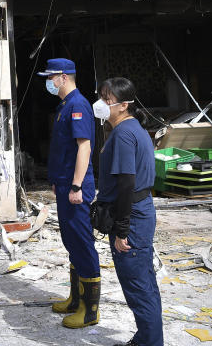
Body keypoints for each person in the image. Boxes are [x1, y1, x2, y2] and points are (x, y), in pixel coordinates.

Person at [95, 77, 163, 346]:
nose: (100, 103)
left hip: (132, 216)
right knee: (143, 283)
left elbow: (126, 183)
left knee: (138, 287)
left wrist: (122, 229)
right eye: (100, 95)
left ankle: (149, 342)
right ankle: (146, 338)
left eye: (106, 98)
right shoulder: (131, 129)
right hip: (138, 211)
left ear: (123, 105)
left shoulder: (124, 133)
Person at [38, 58, 100, 328]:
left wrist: (76, 185)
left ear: (63, 77)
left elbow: (83, 147)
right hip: (64, 184)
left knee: (82, 243)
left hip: (75, 188)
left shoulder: (77, 105)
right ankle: (76, 299)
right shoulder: (65, 105)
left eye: (50, 78)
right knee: (71, 241)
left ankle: (90, 311)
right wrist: (59, 181)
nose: (48, 83)